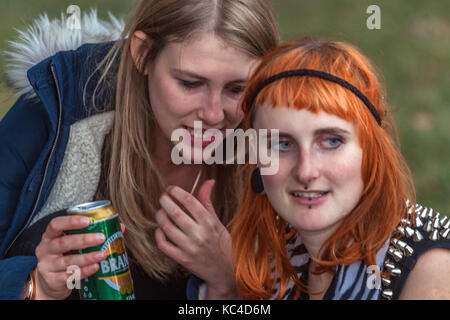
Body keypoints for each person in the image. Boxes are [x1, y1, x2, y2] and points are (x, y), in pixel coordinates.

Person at [0, 0, 279, 300]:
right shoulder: (58, 111)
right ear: (143, 54)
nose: (213, 114)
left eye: (237, 89)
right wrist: (33, 287)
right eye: (190, 83)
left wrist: (232, 279)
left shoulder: (286, 148)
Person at [229, 37, 450, 300]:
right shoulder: (276, 256)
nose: (306, 171)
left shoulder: (431, 268)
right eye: (282, 144)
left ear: (371, 152)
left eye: (331, 141)